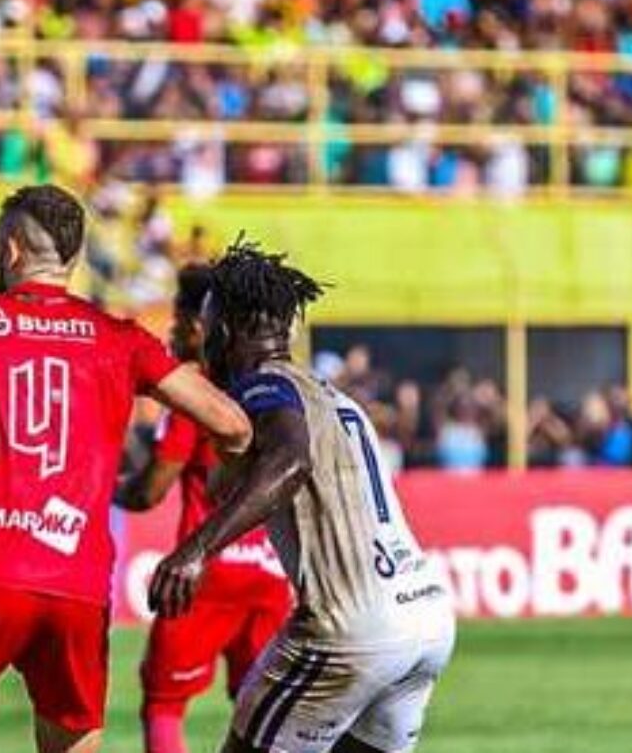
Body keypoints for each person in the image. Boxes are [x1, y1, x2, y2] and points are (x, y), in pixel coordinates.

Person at [0, 185, 252, 753]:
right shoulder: (122, 340)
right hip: (76, 585)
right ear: (72, 261)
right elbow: (233, 425)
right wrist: (221, 485)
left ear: (11, 252)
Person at [150, 240, 456, 753]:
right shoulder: (335, 397)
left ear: (225, 331)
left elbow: (290, 460)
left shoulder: (263, 386)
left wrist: (196, 549)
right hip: (425, 618)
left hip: (352, 626)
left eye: (209, 329)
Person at [114, 265, 292, 753]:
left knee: (163, 703)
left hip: (205, 574)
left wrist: (109, 489)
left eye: (177, 320)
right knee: (260, 709)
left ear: (202, 324)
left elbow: (151, 490)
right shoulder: (274, 392)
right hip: (271, 572)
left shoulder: (197, 395)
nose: (171, 332)